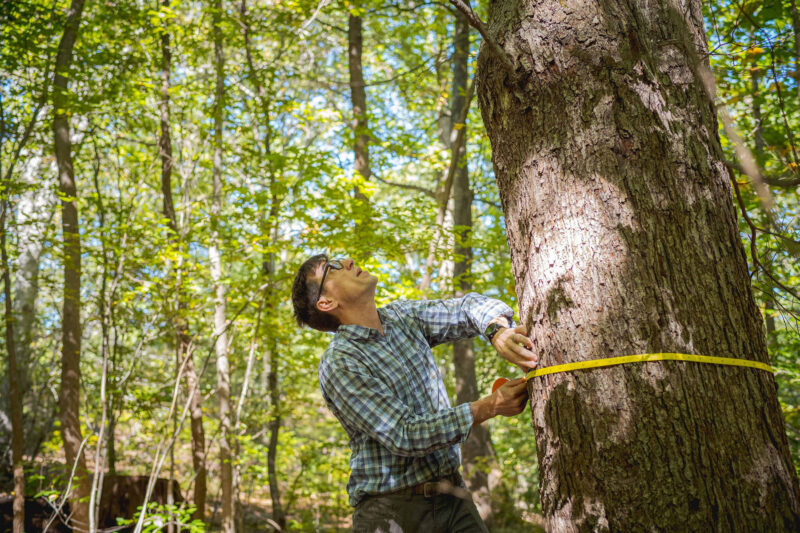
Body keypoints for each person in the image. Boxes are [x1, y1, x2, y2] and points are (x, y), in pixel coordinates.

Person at [291, 254, 538, 532]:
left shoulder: (402, 316)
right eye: (332, 268)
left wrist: (497, 331)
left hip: (453, 495)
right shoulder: (341, 362)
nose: (347, 261)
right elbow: (405, 434)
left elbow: (467, 307)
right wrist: (489, 406)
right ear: (326, 303)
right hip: (392, 512)